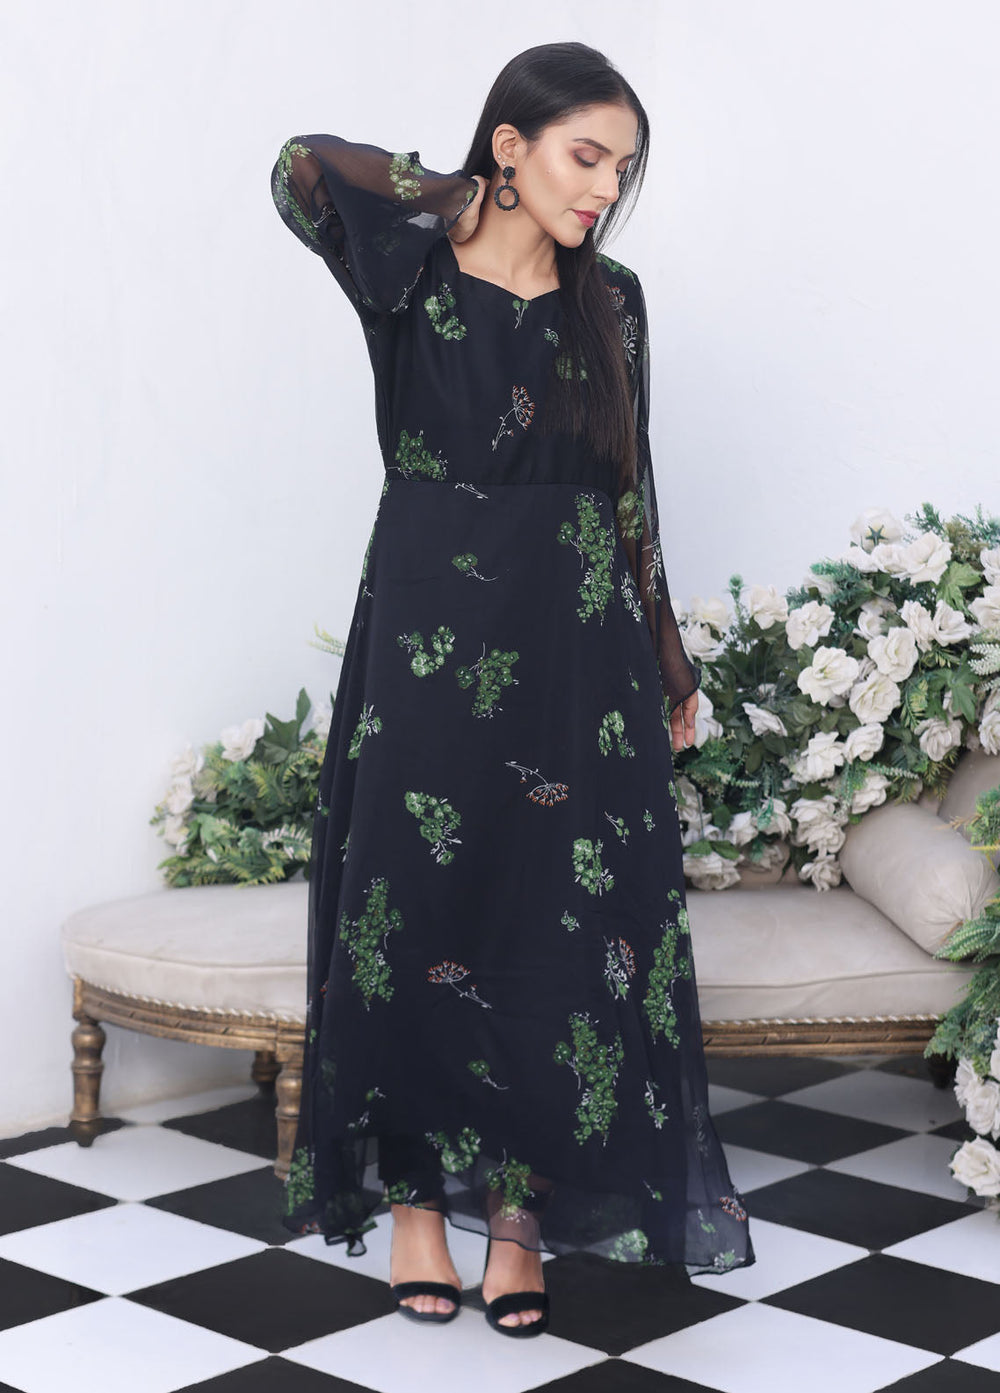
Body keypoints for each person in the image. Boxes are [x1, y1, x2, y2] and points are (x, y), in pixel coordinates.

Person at [270, 39, 755, 1338]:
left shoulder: (615, 302)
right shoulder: (410, 269)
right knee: (411, 901)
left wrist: (667, 657)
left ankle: (522, 1212)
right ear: (511, 144)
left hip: (575, 645)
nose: (605, 188)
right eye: (585, 155)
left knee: (556, 922)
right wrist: (454, 191)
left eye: (623, 169)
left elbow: (632, 489)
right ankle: (416, 1207)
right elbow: (300, 168)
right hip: (429, 626)